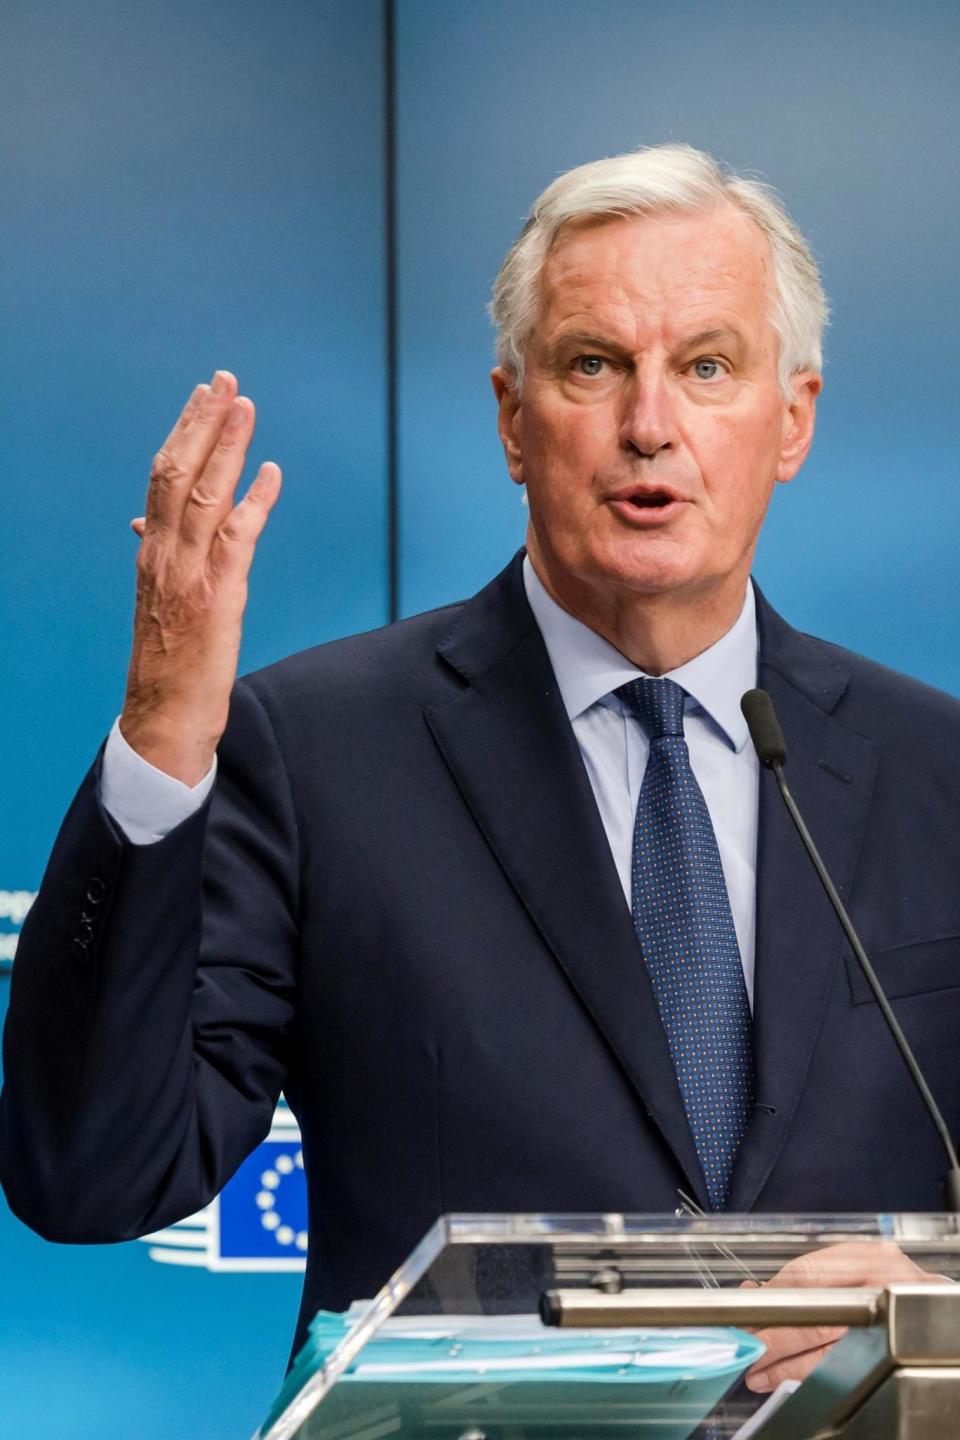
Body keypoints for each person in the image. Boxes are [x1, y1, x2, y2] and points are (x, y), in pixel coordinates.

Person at [2, 145, 957, 1397]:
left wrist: (933, 1291)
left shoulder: (937, 773)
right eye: (593, 365)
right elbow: (93, 1176)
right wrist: (161, 738)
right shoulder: (314, 753)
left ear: (793, 421)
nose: (650, 425)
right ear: (514, 421)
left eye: (707, 366)